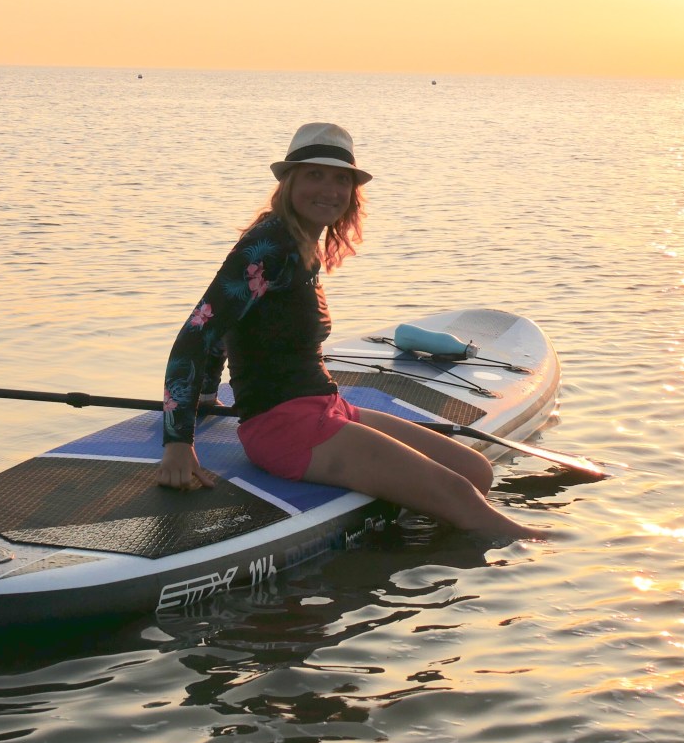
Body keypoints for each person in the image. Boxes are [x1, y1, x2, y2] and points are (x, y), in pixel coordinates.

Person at [156, 122, 536, 542]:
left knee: (474, 471)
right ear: (289, 182)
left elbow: (230, 325)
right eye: (315, 175)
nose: (329, 189)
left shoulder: (299, 241)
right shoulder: (267, 247)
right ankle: (546, 548)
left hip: (326, 406)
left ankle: (414, 539)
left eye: (341, 179)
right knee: (460, 496)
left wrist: (207, 395)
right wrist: (178, 442)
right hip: (284, 427)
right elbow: (197, 335)